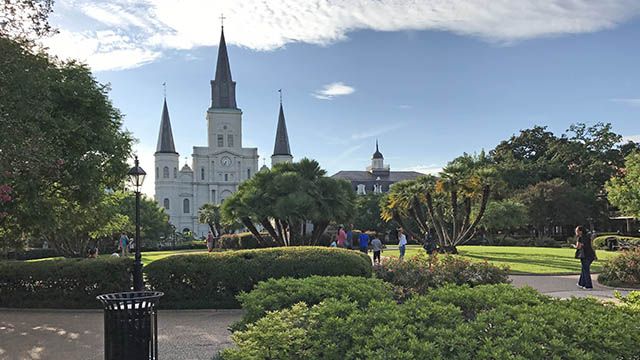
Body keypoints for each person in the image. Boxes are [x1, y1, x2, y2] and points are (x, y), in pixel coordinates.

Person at [574, 225, 597, 290]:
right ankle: (581, 283)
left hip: (584, 255)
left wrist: (575, 246)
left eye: (577, 231)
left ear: (580, 231)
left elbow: (578, 246)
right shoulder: (588, 237)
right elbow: (592, 246)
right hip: (591, 255)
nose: (576, 232)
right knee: (584, 269)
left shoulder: (580, 238)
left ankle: (588, 285)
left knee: (586, 270)